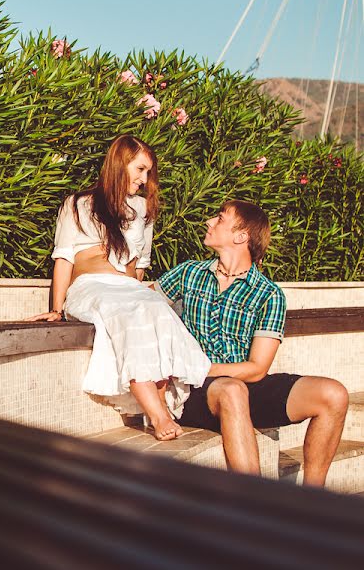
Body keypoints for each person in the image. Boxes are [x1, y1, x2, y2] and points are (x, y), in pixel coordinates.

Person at [153, 200, 349, 486]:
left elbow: (257, 369)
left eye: (219, 219)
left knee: (334, 394)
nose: (209, 222)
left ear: (241, 236)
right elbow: (143, 305)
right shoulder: (188, 273)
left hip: (242, 384)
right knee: (232, 390)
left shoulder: (268, 294)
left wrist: (200, 367)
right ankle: (254, 507)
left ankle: (311, 501)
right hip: (195, 392)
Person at [28, 135, 210, 440]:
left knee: (156, 309)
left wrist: (139, 293)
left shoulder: (142, 209)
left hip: (128, 287)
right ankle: (157, 414)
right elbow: (63, 259)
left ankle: (160, 404)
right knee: (127, 309)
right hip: (91, 286)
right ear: (120, 163)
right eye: (140, 169)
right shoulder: (77, 204)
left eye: (148, 172)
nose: (144, 179)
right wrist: (56, 309)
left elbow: (140, 268)